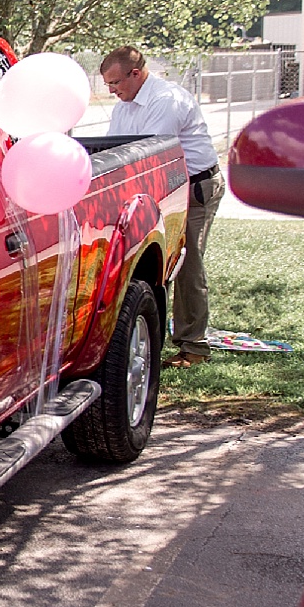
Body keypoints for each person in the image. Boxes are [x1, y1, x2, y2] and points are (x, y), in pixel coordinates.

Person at [101, 45, 224, 368]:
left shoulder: (166, 101)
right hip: (163, 186)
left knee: (187, 265)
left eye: (115, 83)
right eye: (107, 85)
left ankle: (194, 347)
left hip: (195, 187)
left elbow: (153, 157)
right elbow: (116, 151)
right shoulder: (124, 107)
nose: (112, 91)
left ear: (136, 74)